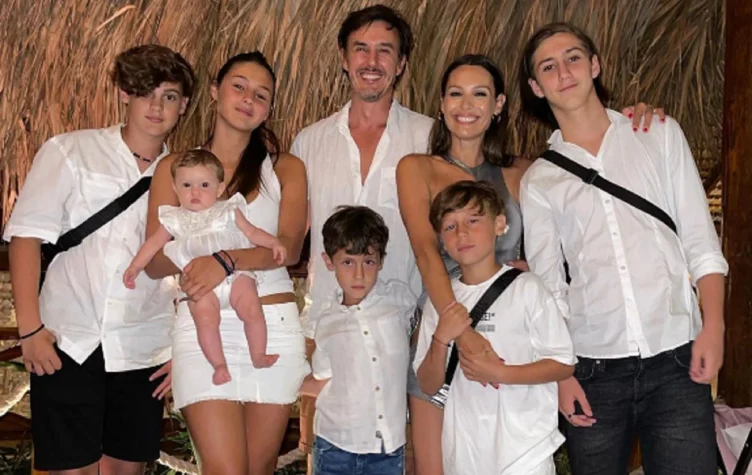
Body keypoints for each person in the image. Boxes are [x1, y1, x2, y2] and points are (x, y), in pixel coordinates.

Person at [396, 53, 665, 474]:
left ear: (498, 105)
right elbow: (426, 252)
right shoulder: (416, 168)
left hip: (517, 338)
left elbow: (555, 254)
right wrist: (463, 336)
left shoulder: (524, 172)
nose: (466, 105)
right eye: (456, 94)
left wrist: (634, 122)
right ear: (442, 104)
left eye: (479, 94)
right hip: (444, 333)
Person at [519, 22, 728, 474]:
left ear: (595, 65)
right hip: (593, 371)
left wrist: (714, 326)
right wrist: (562, 375)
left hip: (677, 359)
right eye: (548, 67)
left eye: (573, 58)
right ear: (536, 87)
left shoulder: (657, 133)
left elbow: (700, 240)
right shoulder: (540, 180)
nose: (564, 72)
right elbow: (549, 287)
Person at [3, 44, 194, 474]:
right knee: (71, 469)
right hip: (68, 339)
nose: (156, 107)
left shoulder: (189, 175)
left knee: (127, 469)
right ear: (124, 93)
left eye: (169, 96)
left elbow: (191, 262)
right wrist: (30, 329)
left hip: (144, 345)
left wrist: (183, 345)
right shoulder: (71, 151)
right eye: (144, 92)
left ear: (183, 105)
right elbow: (26, 237)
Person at [144, 51, 309, 474]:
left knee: (258, 468)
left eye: (261, 94)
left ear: (269, 109)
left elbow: (288, 249)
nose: (248, 98)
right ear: (216, 92)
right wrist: (193, 256)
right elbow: (154, 262)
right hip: (203, 329)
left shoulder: (285, 169)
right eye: (239, 86)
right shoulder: (174, 167)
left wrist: (225, 260)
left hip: (271, 326)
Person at [414, 180, 575, 474]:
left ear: (499, 224)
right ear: (441, 240)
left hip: (526, 452)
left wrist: (501, 374)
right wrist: (441, 339)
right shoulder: (442, 302)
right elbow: (428, 385)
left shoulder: (528, 288)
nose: (462, 233)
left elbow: (563, 363)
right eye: (450, 226)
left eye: (473, 221)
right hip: (465, 453)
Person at [124, 149, 285, 384]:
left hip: (235, 275)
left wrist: (273, 243)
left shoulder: (228, 210)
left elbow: (252, 232)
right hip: (198, 283)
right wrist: (135, 267)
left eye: (204, 185)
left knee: (252, 309)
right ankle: (218, 364)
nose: (195, 192)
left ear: (219, 189)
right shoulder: (174, 219)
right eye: (187, 185)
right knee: (205, 320)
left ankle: (258, 354)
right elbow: (153, 244)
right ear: (175, 188)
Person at [299, 206, 415, 475]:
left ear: (381, 260)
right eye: (348, 262)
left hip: (387, 447)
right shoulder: (327, 321)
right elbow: (321, 379)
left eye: (369, 262)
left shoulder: (400, 300)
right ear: (329, 262)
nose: (359, 274)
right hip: (335, 444)